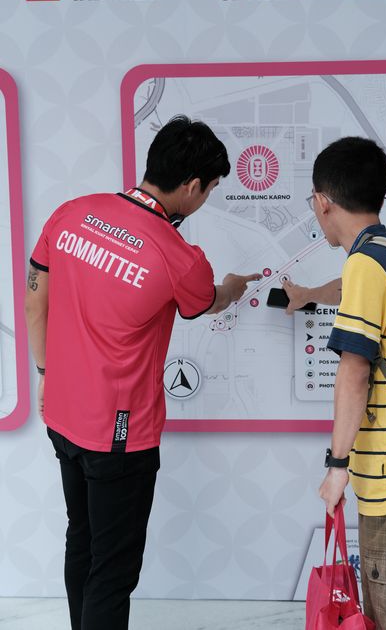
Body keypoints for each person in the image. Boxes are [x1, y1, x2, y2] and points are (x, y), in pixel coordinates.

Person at [24, 114, 260, 630]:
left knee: (81, 540)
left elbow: (34, 303)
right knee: (112, 570)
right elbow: (210, 300)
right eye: (209, 191)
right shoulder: (180, 257)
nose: (205, 200)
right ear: (192, 186)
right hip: (120, 435)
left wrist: (45, 372)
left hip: (62, 413)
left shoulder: (72, 212)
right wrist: (233, 287)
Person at [291, 137, 386, 630]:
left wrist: (337, 467)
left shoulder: (364, 264)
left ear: (323, 201)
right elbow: (354, 294)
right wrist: (309, 294)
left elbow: (354, 371)